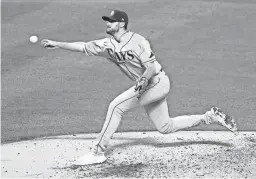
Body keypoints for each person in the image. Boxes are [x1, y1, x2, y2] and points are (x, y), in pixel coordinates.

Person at [41, 9, 237, 165]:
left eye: (111, 21)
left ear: (122, 23)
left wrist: (143, 79)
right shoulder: (107, 44)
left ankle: (97, 152)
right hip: (148, 86)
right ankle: (209, 116)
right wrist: (56, 44)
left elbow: (151, 66)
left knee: (116, 107)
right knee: (165, 127)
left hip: (157, 82)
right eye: (107, 20)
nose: (107, 23)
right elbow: (82, 46)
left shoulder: (138, 41)